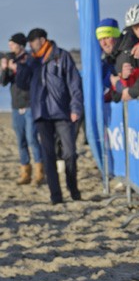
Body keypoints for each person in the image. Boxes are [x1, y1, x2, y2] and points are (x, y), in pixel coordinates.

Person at [15, 28, 83, 204]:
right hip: (41, 115)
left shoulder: (62, 56)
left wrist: (75, 107)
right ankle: (56, 196)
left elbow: (74, 84)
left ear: (42, 40)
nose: (30, 45)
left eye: (32, 41)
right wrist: (22, 64)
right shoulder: (31, 60)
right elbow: (22, 83)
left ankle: (73, 188)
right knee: (48, 155)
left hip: (63, 113)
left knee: (69, 153)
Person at [0, 32, 44, 186]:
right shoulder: (11, 59)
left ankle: (39, 171)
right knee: (21, 141)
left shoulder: (29, 59)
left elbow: (26, 81)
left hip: (30, 105)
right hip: (15, 106)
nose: (10, 47)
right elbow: (3, 83)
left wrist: (17, 68)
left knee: (32, 139)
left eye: (12, 44)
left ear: (20, 45)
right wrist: (5, 69)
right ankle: (25, 172)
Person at [95, 18, 126, 103]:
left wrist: (117, 84)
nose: (103, 43)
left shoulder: (127, 56)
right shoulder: (104, 62)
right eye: (100, 39)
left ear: (116, 36)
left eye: (107, 38)